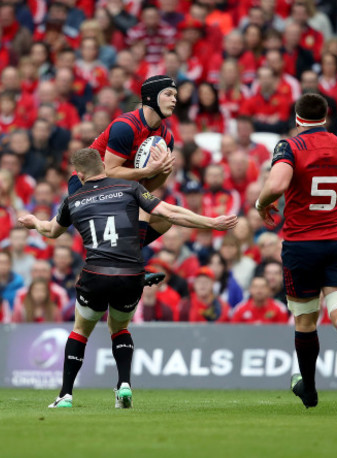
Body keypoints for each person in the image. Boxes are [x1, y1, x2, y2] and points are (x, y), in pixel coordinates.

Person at [18, 148, 237, 409]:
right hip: (131, 274)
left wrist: (33, 221)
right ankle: (124, 385)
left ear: (79, 174)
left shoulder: (73, 199)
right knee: (119, 329)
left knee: (80, 331)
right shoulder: (130, 188)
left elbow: (51, 230)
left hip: (96, 274)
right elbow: (169, 213)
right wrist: (211, 223)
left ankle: (65, 395)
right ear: (103, 165)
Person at [256, 93, 337, 408]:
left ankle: (309, 388)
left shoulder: (290, 146)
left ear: (297, 118)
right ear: (327, 116)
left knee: (306, 321)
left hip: (301, 244)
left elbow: (279, 184)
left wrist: (261, 203)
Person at [80, 75, 179, 286]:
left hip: (118, 188)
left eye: (175, 95)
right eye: (168, 94)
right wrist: (148, 169)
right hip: (86, 183)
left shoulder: (166, 138)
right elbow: (109, 171)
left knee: (163, 218)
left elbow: (146, 186)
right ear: (151, 98)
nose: (174, 100)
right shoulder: (126, 126)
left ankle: (122, 265)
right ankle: (132, 268)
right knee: (141, 205)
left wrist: (163, 172)